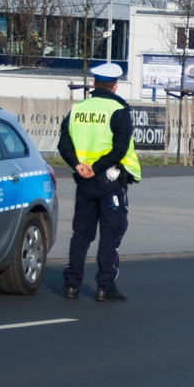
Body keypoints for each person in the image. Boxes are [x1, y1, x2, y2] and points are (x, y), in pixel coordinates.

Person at [59, 62, 140, 303]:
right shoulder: (119, 110)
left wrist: (78, 165)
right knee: (111, 232)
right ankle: (105, 287)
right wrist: (97, 167)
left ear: (94, 84)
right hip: (109, 180)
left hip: (83, 180)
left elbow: (64, 144)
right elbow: (120, 148)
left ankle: (71, 285)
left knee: (81, 233)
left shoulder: (77, 109)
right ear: (115, 86)